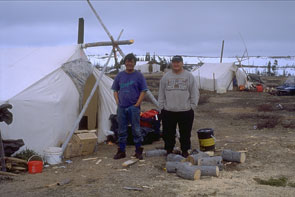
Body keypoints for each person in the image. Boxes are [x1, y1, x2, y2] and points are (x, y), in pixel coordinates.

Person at [158, 55, 199, 158]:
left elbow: (194, 92)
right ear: (172, 63)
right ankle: (169, 150)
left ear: (182, 63)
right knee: (168, 133)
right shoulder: (166, 77)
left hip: (185, 110)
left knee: (185, 133)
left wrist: (192, 106)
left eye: (178, 62)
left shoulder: (189, 76)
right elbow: (161, 93)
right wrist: (161, 107)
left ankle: (185, 151)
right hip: (168, 111)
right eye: (174, 62)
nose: (176, 64)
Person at [111, 53, 148, 160]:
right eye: (127, 61)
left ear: (134, 63)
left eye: (131, 61)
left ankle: (138, 151)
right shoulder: (120, 75)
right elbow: (115, 90)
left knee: (136, 130)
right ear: (125, 63)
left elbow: (143, 90)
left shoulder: (139, 76)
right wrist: (118, 102)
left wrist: (137, 104)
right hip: (122, 107)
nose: (129, 63)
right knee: (122, 130)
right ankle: (121, 151)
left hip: (133, 107)